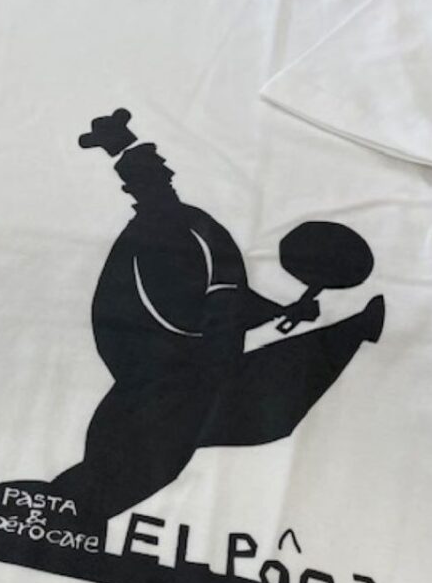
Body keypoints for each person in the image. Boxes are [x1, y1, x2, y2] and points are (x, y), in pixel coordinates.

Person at [52, 110, 385, 526]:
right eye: (154, 174)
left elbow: (219, 300)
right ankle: (71, 515)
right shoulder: (176, 234)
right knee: (237, 411)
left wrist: (278, 312)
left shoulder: (193, 230)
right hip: (169, 369)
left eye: (160, 172)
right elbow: (204, 309)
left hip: (175, 369)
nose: (166, 176)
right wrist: (266, 317)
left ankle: (356, 329)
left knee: (250, 406)